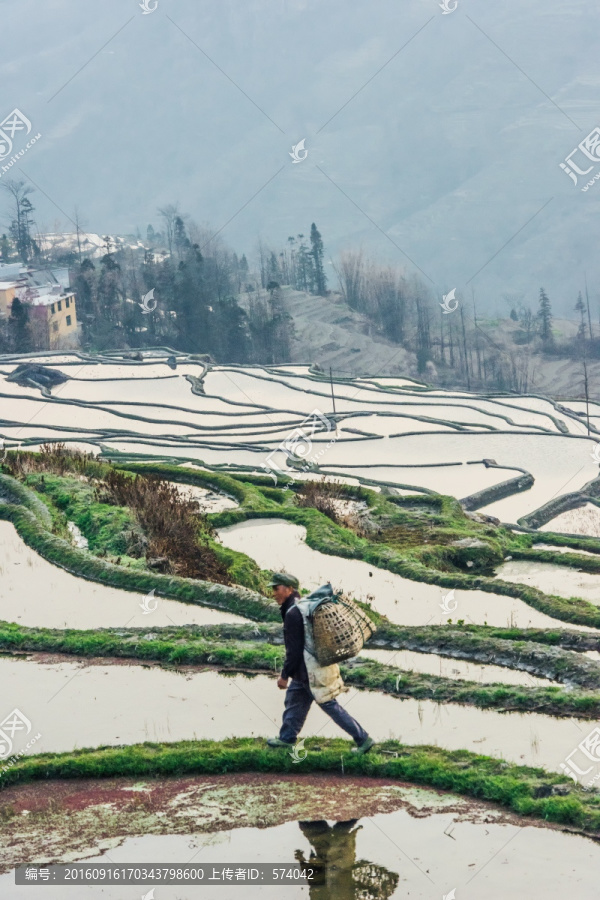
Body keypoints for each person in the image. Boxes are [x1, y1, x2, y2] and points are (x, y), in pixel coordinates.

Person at [266, 572, 375, 754]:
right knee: (294, 702)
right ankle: (286, 739)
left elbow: (293, 651)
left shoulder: (294, 613)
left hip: (309, 671)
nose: (273, 593)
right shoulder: (302, 605)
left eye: (276, 589)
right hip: (307, 670)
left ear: (289, 589)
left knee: (329, 705)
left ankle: (363, 739)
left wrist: (284, 675)